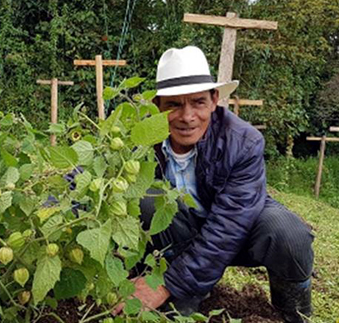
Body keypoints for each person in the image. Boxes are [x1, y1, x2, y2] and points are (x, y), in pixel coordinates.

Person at [117, 46, 314, 323]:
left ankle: (291, 313)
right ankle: (172, 294)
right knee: (147, 197)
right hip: (172, 238)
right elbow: (84, 176)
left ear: (214, 100)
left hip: (236, 231)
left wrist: (167, 285)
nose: (187, 117)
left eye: (197, 102)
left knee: (288, 234)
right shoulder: (139, 137)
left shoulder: (243, 141)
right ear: (157, 106)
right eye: (174, 105)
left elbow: (229, 226)